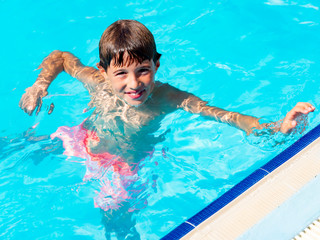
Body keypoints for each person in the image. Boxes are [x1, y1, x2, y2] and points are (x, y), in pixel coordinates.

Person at [19, 19, 315, 238]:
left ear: (156, 65)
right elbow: (60, 57)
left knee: (116, 225)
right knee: (17, 148)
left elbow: (228, 117)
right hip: (83, 139)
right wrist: (39, 85)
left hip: (123, 168)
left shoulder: (169, 98)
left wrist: (279, 127)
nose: (134, 84)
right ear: (103, 70)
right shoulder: (95, 81)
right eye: (121, 73)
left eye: (143, 71)